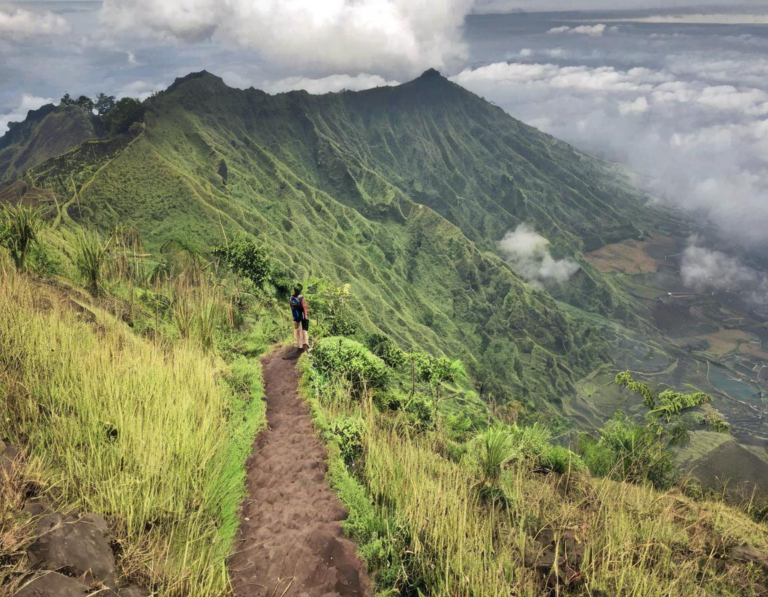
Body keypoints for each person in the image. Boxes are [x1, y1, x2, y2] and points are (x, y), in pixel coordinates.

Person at [290, 285, 310, 351]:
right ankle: (305, 342)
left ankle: (299, 345)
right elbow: (304, 307)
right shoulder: (301, 298)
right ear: (300, 291)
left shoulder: (291, 297)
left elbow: (292, 307)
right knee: (304, 329)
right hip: (302, 315)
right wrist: (306, 316)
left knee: (297, 329)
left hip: (295, 316)